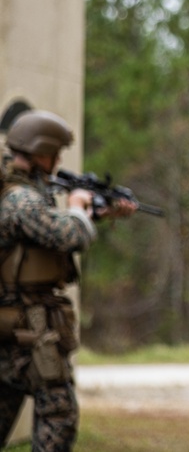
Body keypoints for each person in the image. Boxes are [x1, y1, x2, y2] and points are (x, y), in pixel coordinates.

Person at [0, 110, 137, 450]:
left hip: (15, 324)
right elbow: (67, 235)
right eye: (54, 151)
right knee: (58, 416)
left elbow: (44, 235)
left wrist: (99, 212)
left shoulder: (21, 191)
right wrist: (78, 207)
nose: (59, 159)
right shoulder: (20, 198)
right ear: (37, 150)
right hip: (28, 325)